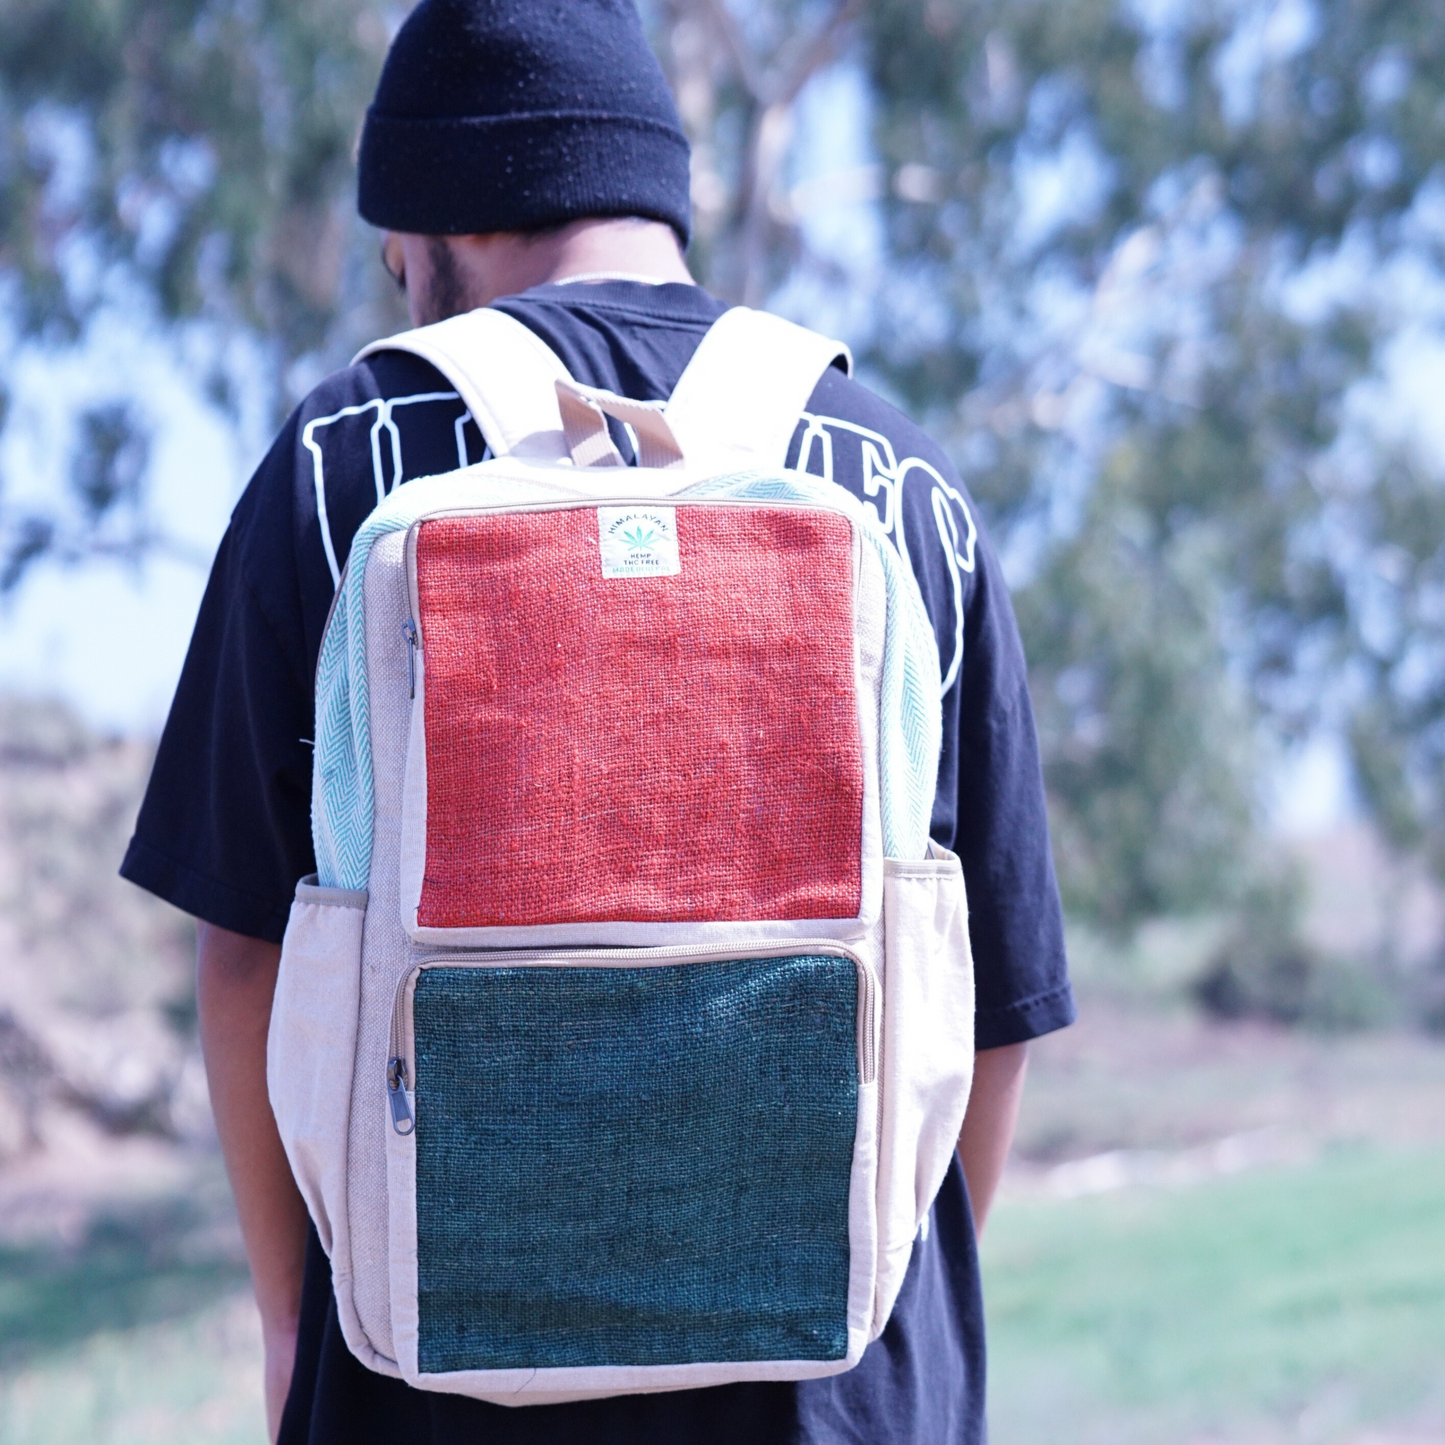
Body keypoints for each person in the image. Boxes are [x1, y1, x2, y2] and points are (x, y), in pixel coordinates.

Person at [121, 1, 1075, 1440]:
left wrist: (287, 1323)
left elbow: (247, 964)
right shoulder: (898, 481)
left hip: (424, 1388)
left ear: (441, 214)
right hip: (836, 1397)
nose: (401, 295)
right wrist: (875, 1299)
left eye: (396, 260)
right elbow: (996, 998)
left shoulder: (336, 470)